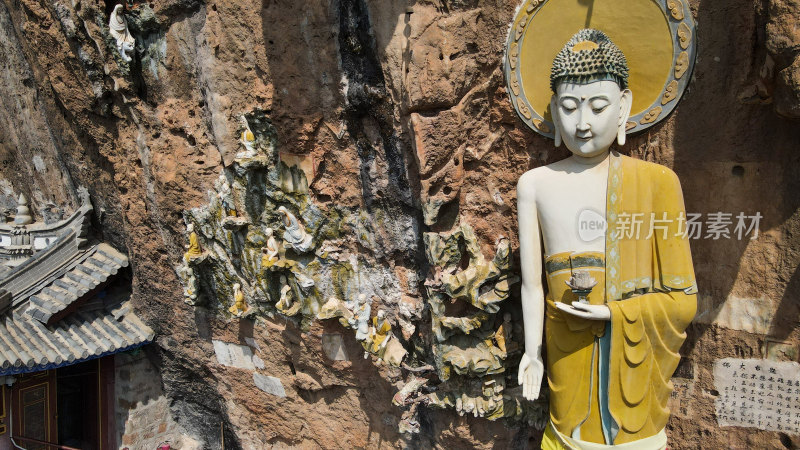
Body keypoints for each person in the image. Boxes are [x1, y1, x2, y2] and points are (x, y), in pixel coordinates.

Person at [516, 29, 697, 449]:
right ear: (555, 111)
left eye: (598, 107)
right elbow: (531, 285)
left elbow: (685, 298)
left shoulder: (657, 184)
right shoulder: (535, 184)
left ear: (624, 107)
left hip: (632, 365)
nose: (582, 123)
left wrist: (615, 314)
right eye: (568, 107)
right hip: (565, 350)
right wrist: (532, 352)